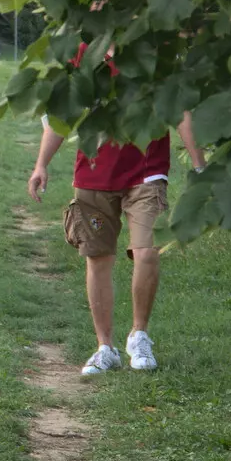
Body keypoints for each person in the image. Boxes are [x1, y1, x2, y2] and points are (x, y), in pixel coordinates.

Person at [28, 46, 204, 376]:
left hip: (147, 170)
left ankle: (139, 336)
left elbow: (179, 110)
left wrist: (199, 166)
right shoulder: (81, 56)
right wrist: (41, 165)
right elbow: (61, 117)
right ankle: (105, 347)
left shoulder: (153, 49)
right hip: (95, 171)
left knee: (148, 252)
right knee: (98, 258)